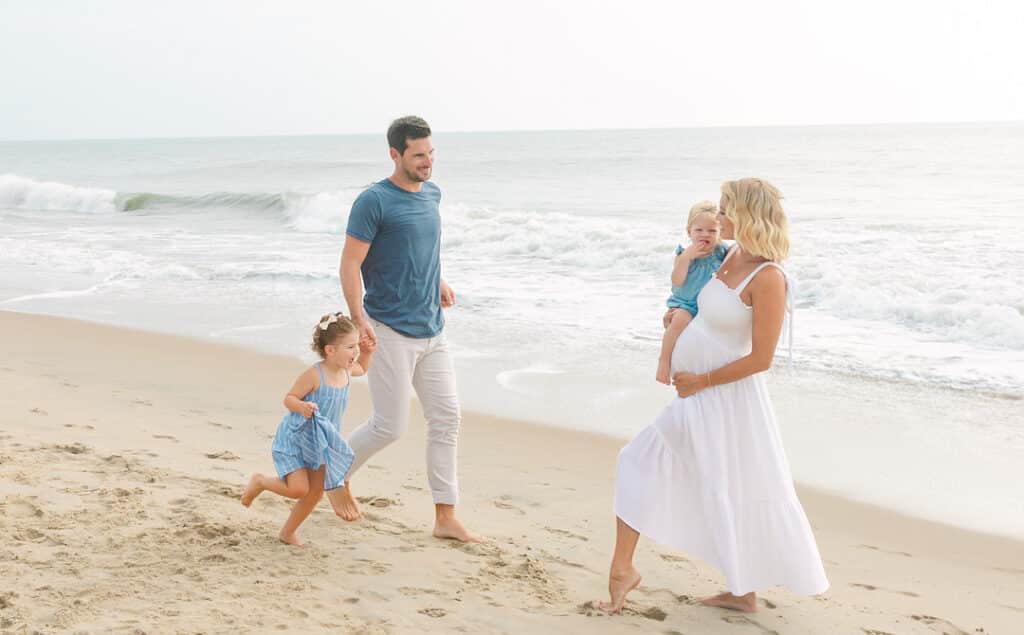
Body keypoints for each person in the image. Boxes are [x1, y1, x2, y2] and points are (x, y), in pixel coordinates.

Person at [602, 178, 828, 613]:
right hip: (697, 396)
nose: (717, 217)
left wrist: (702, 381)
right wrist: (676, 313)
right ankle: (629, 569)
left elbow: (762, 358)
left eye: (725, 210)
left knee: (733, 487)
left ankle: (740, 591)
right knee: (643, 462)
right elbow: (698, 302)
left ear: (745, 213)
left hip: (727, 400)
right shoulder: (727, 255)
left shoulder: (769, 277)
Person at [338, 115, 481, 542]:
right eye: (418, 155)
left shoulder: (432, 194)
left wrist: (437, 280)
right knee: (389, 426)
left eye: (431, 153)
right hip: (389, 330)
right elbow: (350, 264)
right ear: (395, 154)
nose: (427, 162)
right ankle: (333, 474)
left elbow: (422, 247)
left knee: (447, 419)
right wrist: (358, 318)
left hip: (432, 331)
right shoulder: (374, 201)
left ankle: (445, 517)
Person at [240, 312, 374, 546]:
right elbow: (289, 398)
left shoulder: (346, 371)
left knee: (314, 494)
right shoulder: (315, 375)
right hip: (297, 438)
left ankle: (287, 532)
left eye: (356, 346)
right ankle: (260, 481)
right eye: (350, 347)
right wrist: (301, 407)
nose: (356, 352)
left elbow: (362, 368)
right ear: (330, 350)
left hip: (320, 443)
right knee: (298, 490)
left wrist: (369, 352)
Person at [656, 201, 728, 385]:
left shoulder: (722, 252)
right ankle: (664, 362)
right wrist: (686, 258)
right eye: (699, 230)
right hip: (685, 302)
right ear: (689, 232)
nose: (705, 235)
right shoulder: (683, 254)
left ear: (720, 232)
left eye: (712, 231)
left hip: (708, 304)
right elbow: (677, 281)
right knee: (679, 320)